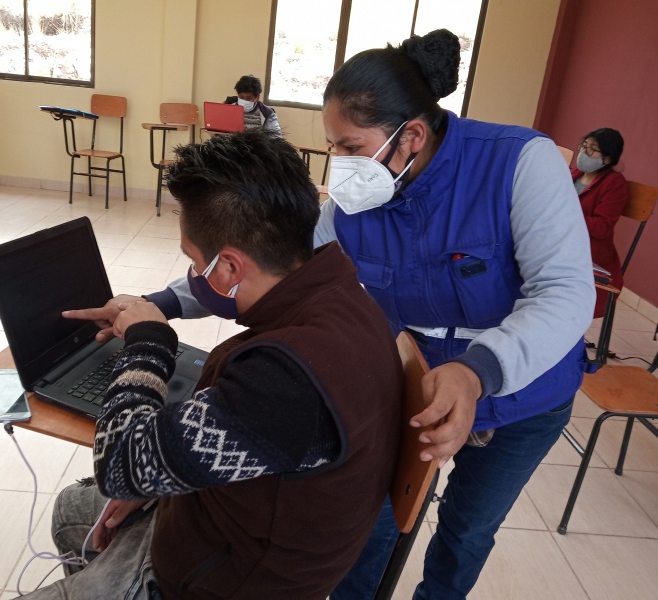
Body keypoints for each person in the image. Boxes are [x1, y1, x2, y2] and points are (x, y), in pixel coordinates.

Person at [143, 29, 596, 599]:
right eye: (332, 146)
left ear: (411, 136)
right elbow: (272, 262)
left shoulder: (517, 163)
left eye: (351, 147)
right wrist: (161, 304)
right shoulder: (359, 202)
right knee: (372, 529)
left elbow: (565, 292)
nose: (339, 165)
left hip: (524, 392)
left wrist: (477, 371)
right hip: (411, 392)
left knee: (466, 532)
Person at [18, 131, 403, 599]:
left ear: (230, 268)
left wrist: (148, 340)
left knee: (87, 502)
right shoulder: (341, 297)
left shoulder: (288, 381)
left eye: (194, 260)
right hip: (221, 517)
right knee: (72, 508)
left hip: (218, 580)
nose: (193, 274)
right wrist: (160, 481)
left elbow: (119, 466)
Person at [571, 128, 627, 318]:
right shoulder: (574, 174)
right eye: (584, 145)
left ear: (608, 159)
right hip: (560, 243)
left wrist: (567, 216)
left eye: (592, 149)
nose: (584, 152)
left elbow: (602, 228)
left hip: (588, 254)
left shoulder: (614, 183)